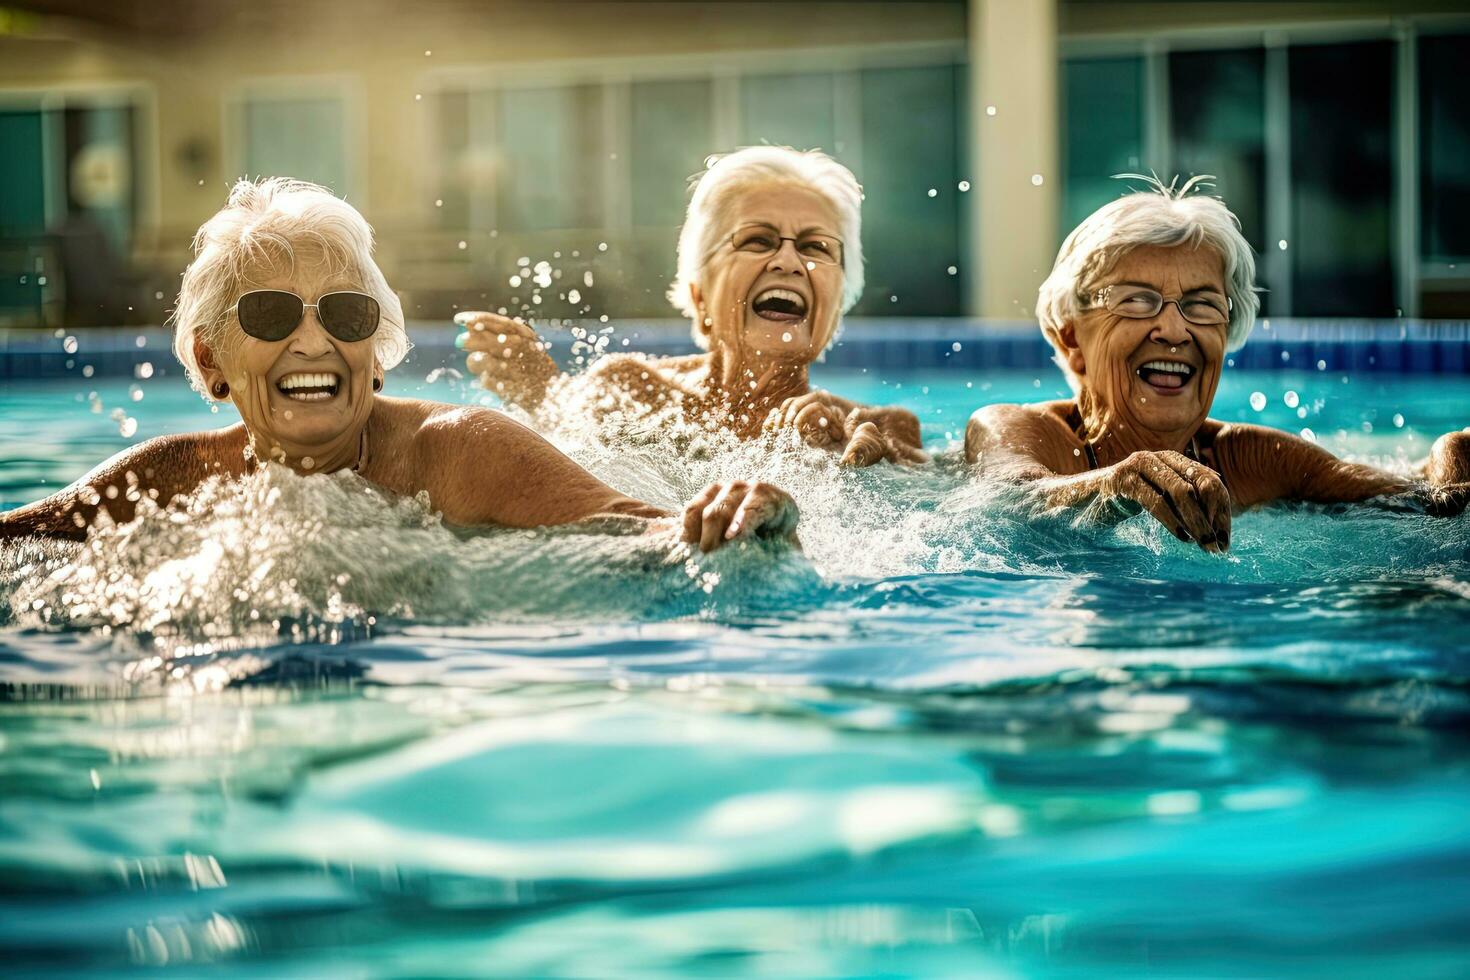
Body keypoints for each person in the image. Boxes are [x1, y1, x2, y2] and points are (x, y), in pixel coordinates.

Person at [0, 178, 799, 554]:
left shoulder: (461, 453)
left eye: (346, 315)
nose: (312, 341)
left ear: (375, 356)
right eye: (271, 314)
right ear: (212, 362)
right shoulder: (172, 481)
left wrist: (743, 520)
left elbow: (646, 535)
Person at [964, 176, 1469, 551]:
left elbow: (1424, 503)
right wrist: (1115, 484)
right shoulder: (1019, 430)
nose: (1175, 330)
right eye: (1138, 300)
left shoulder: (1255, 461)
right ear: (1072, 336)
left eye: (1202, 304)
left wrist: (1456, 452)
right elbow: (1007, 502)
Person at [457, 146, 925, 467]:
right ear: (699, 295)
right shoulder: (628, 391)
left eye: (817, 247)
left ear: (836, 306)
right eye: (757, 240)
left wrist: (872, 471)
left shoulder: (878, 431)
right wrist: (546, 396)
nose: (789, 261)